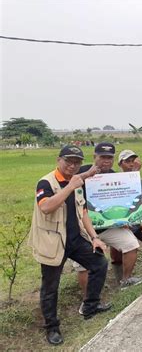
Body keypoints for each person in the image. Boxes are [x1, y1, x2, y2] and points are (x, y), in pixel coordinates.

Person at [29, 145, 110, 345]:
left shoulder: (76, 183)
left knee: (99, 263)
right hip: (53, 241)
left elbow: (83, 212)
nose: (72, 166)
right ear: (59, 160)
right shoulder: (46, 182)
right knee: (50, 286)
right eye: (68, 161)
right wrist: (70, 187)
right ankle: (52, 327)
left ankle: (90, 306)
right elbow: (46, 207)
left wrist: (94, 238)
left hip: (74, 239)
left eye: (77, 162)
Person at [76, 142, 142, 297]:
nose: (106, 160)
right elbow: (68, 183)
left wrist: (123, 219)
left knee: (131, 244)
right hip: (83, 228)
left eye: (109, 157)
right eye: (102, 157)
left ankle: (125, 280)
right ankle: (89, 298)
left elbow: (119, 199)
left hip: (106, 227)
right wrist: (87, 175)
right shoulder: (82, 171)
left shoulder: (113, 174)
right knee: (82, 265)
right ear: (94, 157)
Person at [109, 150, 142, 273]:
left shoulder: (140, 181)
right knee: (117, 252)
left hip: (137, 222)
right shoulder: (113, 181)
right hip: (120, 225)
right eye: (127, 161)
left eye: (133, 161)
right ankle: (120, 279)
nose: (131, 164)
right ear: (120, 164)